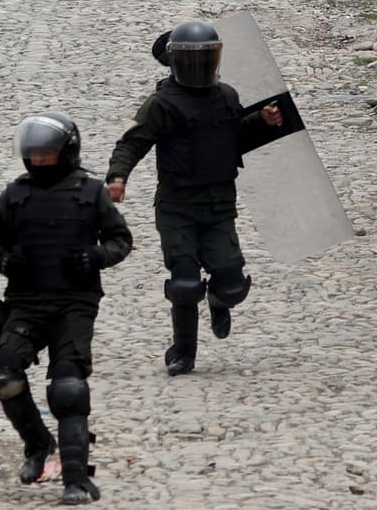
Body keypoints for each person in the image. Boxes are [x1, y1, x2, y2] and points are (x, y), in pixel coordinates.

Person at [107, 21, 284, 377]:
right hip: (177, 207)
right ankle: (183, 352)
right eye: (192, 59)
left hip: (220, 206)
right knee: (185, 284)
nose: (199, 66)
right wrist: (117, 176)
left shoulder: (228, 97)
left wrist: (263, 120)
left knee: (232, 285)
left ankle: (219, 300)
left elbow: (235, 137)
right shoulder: (162, 103)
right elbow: (133, 141)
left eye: (206, 58)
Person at [0, 112, 132, 505]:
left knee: (67, 387)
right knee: (3, 376)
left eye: (47, 154)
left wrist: (97, 256)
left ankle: (76, 479)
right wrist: (4, 262)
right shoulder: (14, 196)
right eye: (34, 155)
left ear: (65, 153)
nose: (40, 161)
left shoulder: (90, 193)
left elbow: (121, 239)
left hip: (74, 303)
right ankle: (37, 444)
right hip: (26, 303)